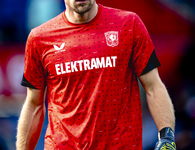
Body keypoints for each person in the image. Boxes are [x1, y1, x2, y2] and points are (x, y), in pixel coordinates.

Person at [16, 0, 176, 149]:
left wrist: (166, 137)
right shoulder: (39, 39)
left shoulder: (129, 24)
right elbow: (34, 105)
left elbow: (154, 86)